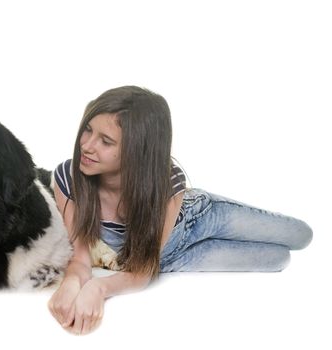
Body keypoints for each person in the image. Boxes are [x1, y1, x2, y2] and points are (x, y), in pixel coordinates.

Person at [47, 86, 312, 335]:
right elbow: (84, 259)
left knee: (302, 236)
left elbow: (137, 272)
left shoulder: (167, 180)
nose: (87, 145)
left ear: (137, 151)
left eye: (106, 141)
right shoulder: (68, 179)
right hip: (169, 259)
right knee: (278, 259)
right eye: (87, 130)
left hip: (199, 220)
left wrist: (100, 287)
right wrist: (72, 284)